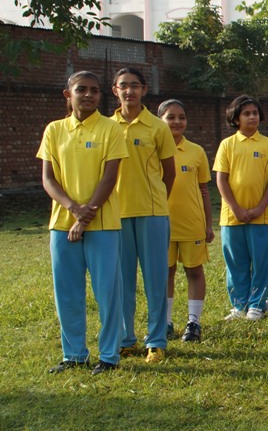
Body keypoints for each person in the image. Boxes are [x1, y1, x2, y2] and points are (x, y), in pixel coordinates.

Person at [39, 71, 127, 375]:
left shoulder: (111, 129)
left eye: (94, 90)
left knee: (107, 293)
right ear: (68, 94)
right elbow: (48, 179)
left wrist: (87, 213)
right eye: (81, 90)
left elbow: (110, 177)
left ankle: (109, 356)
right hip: (62, 224)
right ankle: (74, 354)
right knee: (67, 292)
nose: (88, 95)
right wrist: (73, 209)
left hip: (102, 224)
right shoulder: (54, 130)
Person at [111, 67, 176, 364]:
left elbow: (169, 172)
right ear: (115, 90)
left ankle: (156, 340)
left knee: (155, 280)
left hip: (151, 212)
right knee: (121, 280)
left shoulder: (157, 127)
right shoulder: (106, 126)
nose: (129, 91)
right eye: (124, 86)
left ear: (144, 89)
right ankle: (126, 339)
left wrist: (157, 199)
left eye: (135, 85)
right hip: (115, 215)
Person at [214, 95, 268, 321]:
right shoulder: (227, 145)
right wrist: (236, 209)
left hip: (260, 216)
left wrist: (261, 207)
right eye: (246, 113)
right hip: (231, 217)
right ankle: (239, 304)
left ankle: (256, 304)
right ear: (235, 119)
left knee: (260, 261)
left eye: (255, 113)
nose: (252, 117)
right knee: (236, 262)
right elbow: (221, 180)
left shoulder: (267, 144)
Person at [159, 99, 214, 343]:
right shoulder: (154, 149)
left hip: (191, 222)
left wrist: (208, 224)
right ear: (160, 119)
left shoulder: (196, 151)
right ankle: (166, 322)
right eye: (171, 117)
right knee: (165, 273)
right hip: (161, 222)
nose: (177, 122)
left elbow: (204, 190)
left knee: (194, 271)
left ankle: (193, 323)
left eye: (181, 117)